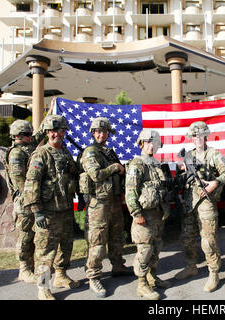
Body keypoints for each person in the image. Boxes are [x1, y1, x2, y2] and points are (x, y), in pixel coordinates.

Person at [23, 115, 81, 300]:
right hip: (47, 212)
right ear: (48, 133)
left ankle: (61, 275)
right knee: (45, 251)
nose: (57, 134)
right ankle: (43, 287)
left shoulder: (64, 153)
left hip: (65, 208)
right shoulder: (41, 154)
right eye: (53, 131)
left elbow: (73, 175)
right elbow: (31, 184)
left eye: (61, 130)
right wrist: (37, 211)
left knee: (66, 246)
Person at [174, 121, 225, 293]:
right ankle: (192, 266)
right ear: (191, 138)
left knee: (208, 240)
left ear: (206, 136)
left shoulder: (214, 154)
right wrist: (182, 170)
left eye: (200, 135)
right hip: (189, 202)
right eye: (194, 136)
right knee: (187, 238)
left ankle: (214, 272)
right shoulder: (188, 155)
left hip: (206, 202)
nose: (198, 139)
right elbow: (179, 181)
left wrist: (214, 183)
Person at [79, 117, 132, 298]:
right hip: (98, 204)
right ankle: (94, 276)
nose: (101, 134)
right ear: (93, 133)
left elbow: (120, 174)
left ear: (108, 133)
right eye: (98, 132)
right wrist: (114, 167)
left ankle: (118, 265)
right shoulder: (90, 152)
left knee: (117, 236)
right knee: (97, 241)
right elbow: (95, 175)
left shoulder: (108, 152)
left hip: (114, 201)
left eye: (104, 131)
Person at [125, 129, 172, 300]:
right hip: (144, 215)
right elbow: (130, 192)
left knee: (156, 247)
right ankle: (142, 284)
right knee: (144, 250)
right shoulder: (137, 164)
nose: (153, 146)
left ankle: (152, 276)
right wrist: (136, 213)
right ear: (142, 143)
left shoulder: (155, 164)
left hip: (157, 214)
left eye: (155, 143)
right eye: (149, 142)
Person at [3, 119, 46, 283]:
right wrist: (33, 202)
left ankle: (33, 265)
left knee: (36, 234)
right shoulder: (16, 153)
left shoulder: (28, 147)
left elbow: (41, 132)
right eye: (26, 135)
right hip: (24, 203)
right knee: (26, 236)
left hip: (34, 199)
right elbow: (20, 182)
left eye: (29, 134)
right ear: (16, 136)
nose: (30, 137)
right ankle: (24, 269)